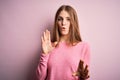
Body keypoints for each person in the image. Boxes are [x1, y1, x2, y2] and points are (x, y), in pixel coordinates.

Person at [36, 5, 90, 80]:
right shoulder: (49, 46)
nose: (63, 23)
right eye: (60, 19)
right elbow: (40, 78)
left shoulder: (83, 47)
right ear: (56, 22)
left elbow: (84, 75)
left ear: (73, 22)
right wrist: (44, 54)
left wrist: (83, 77)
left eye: (68, 19)